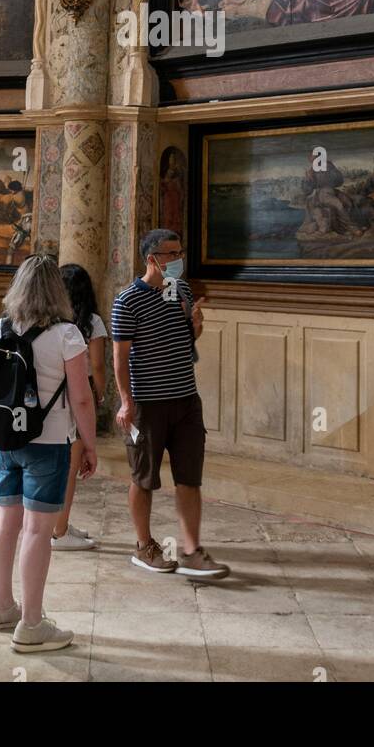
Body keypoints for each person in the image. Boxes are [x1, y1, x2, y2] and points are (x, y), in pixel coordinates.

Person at [0, 255, 97, 654]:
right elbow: (81, 399)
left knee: (4, 523)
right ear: (55, 290)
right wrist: (90, 444)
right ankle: (32, 624)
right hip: (47, 445)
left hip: (5, 442)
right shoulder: (67, 334)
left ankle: (1, 606)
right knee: (36, 531)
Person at [111, 228, 230, 578]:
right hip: (147, 404)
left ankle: (192, 550)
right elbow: (120, 358)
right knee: (144, 477)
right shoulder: (127, 300)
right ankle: (145, 545)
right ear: (152, 259)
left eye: (181, 252)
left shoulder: (181, 290)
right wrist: (125, 402)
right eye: (172, 254)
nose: (179, 259)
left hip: (185, 399)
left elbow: (186, 340)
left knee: (189, 477)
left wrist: (195, 325)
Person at [51, 263, 108, 550]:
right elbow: (97, 365)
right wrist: (99, 394)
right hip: (79, 388)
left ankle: (58, 522)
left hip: (53, 392)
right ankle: (58, 532)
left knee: (56, 465)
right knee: (71, 466)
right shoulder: (92, 322)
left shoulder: (52, 319)